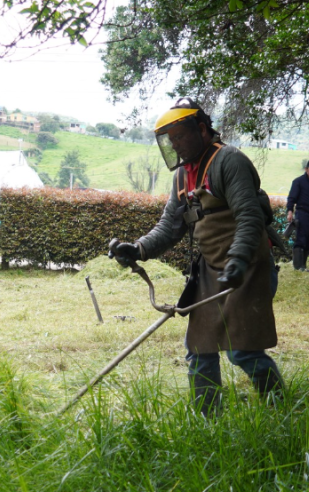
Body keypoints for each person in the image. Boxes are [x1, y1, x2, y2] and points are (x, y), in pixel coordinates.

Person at [109, 98, 282, 416]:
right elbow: (169, 227)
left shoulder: (229, 161)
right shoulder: (182, 177)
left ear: (202, 130)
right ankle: (207, 421)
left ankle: (281, 409)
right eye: (170, 139)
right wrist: (138, 249)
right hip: (209, 270)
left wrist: (239, 260)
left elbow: (249, 216)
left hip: (248, 266)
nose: (175, 144)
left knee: (242, 351)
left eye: (181, 136)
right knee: (199, 349)